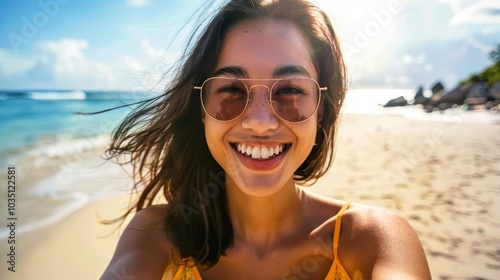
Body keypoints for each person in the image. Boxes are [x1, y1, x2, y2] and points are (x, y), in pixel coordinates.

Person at [100, 0, 431, 279]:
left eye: (289, 91)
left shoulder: (372, 239)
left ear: (321, 110)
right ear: (201, 110)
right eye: (231, 91)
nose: (260, 122)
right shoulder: (157, 237)